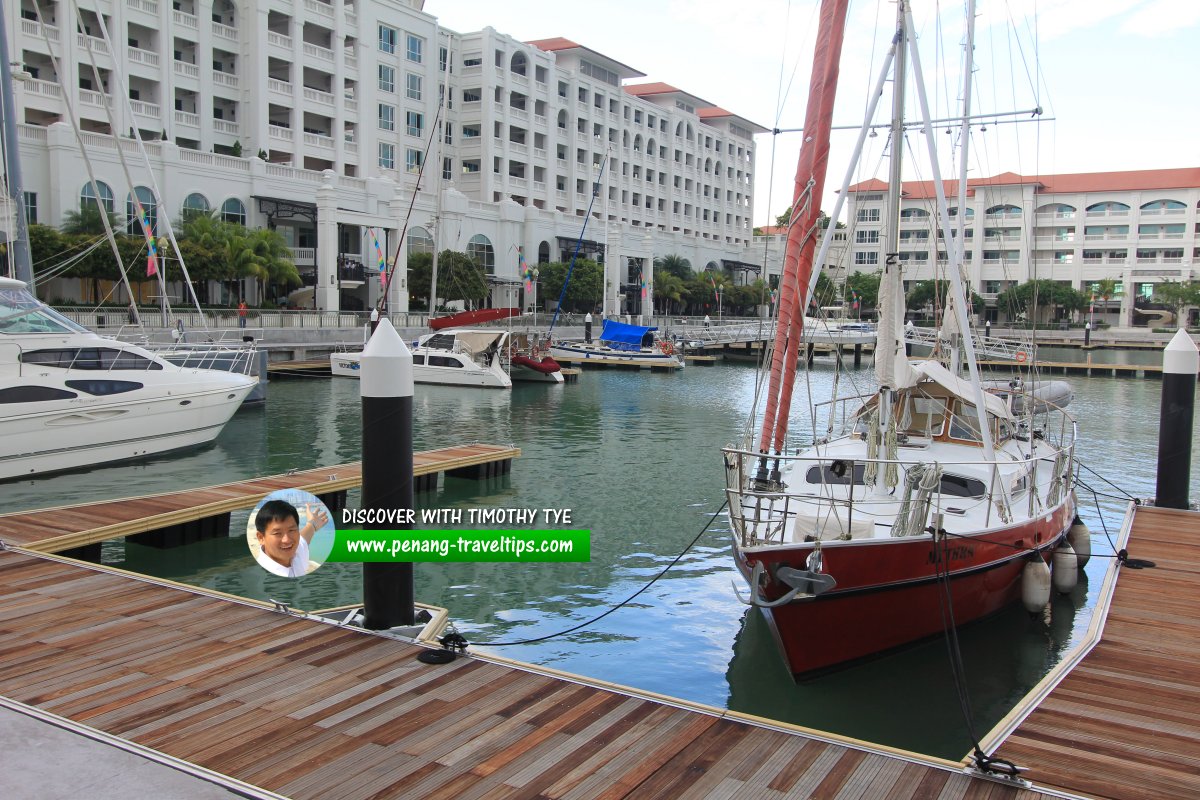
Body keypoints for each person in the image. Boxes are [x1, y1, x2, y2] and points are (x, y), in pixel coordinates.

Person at [252, 499, 328, 577]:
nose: (287, 540)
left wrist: (312, 524)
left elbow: (304, 537)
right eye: (277, 533)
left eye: (291, 530)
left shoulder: (297, 552)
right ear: (261, 538)